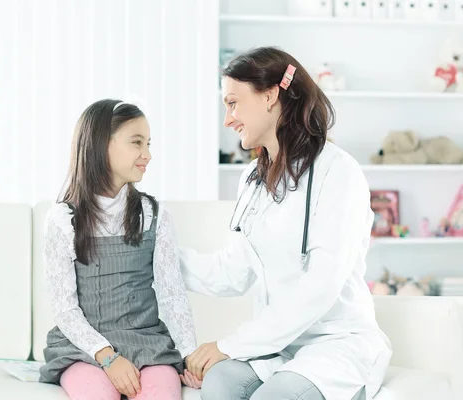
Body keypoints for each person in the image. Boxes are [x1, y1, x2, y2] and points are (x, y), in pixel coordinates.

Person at [180, 47, 393, 400]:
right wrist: (156, 255)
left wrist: (231, 345)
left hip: (335, 344)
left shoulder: (338, 172)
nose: (227, 119)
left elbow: (320, 286)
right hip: (278, 348)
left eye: (233, 103)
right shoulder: (252, 179)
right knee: (218, 383)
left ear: (269, 96)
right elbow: (232, 272)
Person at [39, 99, 200, 399]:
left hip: (147, 343)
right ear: (102, 145)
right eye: (137, 142)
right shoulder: (63, 220)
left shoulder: (154, 214)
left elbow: (171, 293)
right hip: (84, 348)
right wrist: (107, 356)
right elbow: (64, 308)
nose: (147, 155)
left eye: (148, 143)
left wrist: (190, 355)